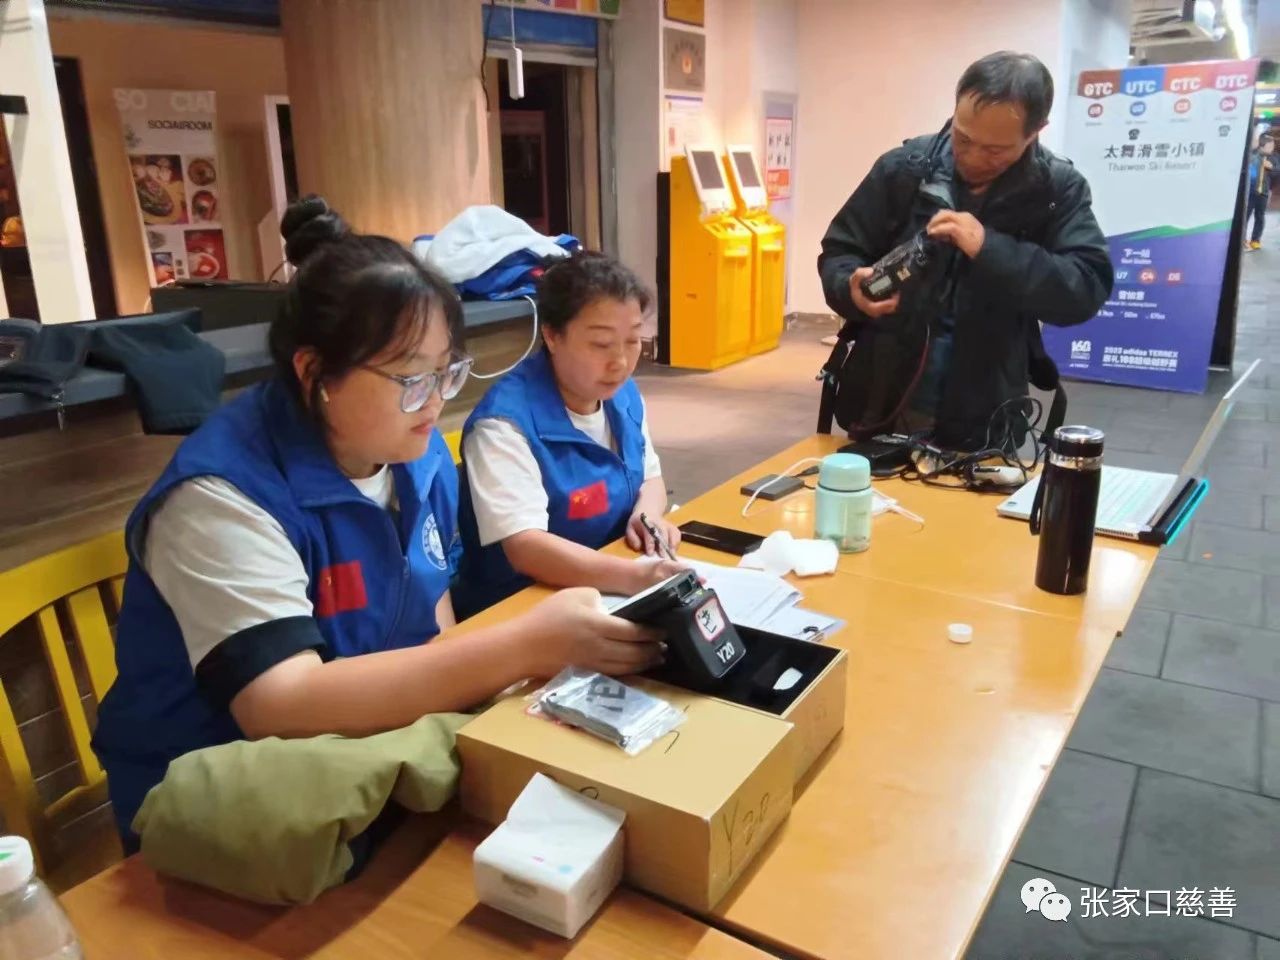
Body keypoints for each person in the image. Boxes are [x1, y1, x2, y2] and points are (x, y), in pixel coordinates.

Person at [92, 199, 664, 848]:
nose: (437, 402)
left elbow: (433, 618)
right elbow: (278, 703)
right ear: (315, 372)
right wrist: (525, 646)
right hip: (227, 810)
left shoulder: (417, 458)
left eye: (447, 372)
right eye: (412, 378)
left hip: (374, 760)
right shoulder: (222, 496)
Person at [817, 51, 1113, 450]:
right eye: (963, 138)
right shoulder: (904, 169)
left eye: (995, 151)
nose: (972, 158)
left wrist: (990, 248)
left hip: (987, 412)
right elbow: (840, 251)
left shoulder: (1057, 190)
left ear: (1035, 132)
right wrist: (849, 288)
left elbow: (1085, 288)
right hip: (884, 399)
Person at [455, 252, 684, 616]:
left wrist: (648, 516)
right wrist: (635, 578)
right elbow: (526, 548)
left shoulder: (621, 395)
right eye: (601, 344)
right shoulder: (503, 425)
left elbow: (650, 477)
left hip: (608, 586)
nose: (620, 362)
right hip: (522, 607)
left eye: (632, 340)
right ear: (551, 335)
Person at [1245, 134, 1277, 251]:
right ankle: (1242, 239)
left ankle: (1255, 240)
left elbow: (1277, 171)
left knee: (1260, 216)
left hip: (1263, 192)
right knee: (1246, 216)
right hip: (1250, 192)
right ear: (1262, 145)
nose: (1272, 148)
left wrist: (1272, 168)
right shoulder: (1252, 155)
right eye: (1270, 146)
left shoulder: (1273, 158)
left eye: (1273, 146)